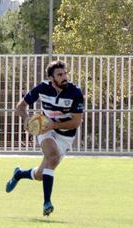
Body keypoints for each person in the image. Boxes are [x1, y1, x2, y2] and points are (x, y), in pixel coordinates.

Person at [6, 61, 84, 217]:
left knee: (41, 174)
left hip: (66, 135)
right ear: (51, 78)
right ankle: (47, 203)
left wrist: (54, 125)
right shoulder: (42, 88)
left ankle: (19, 174)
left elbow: (76, 122)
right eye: (60, 75)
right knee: (52, 156)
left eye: (65, 73)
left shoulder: (75, 92)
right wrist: (26, 119)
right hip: (44, 127)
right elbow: (20, 107)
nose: (64, 77)